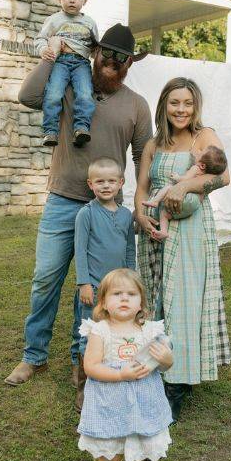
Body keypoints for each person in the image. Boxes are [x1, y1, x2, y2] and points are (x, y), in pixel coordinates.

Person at [4, 24, 151, 387]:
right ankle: (33, 357)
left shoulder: (136, 104)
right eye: (108, 54)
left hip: (107, 211)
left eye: (122, 58)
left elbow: (143, 157)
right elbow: (27, 96)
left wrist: (140, 200)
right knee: (45, 281)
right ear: (95, 52)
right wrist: (52, 53)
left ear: (130, 63)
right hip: (63, 202)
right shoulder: (68, 86)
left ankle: (82, 359)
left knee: (93, 290)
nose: (113, 62)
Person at [135, 77, 231, 422]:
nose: (181, 110)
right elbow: (142, 185)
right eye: (175, 103)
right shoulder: (152, 144)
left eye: (187, 104)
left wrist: (187, 186)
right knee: (156, 299)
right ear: (164, 105)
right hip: (154, 228)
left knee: (183, 302)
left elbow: (224, 177)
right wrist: (140, 216)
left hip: (190, 229)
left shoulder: (203, 136)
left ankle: (178, 384)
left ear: (195, 107)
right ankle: (158, 370)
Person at [78, 268, 173, 461]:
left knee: (152, 443)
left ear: (141, 301)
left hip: (146, 401)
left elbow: (164, 365)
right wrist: (120, 374)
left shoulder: (150, 331)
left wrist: (167, 359)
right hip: (109, 402)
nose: (124, 299)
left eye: (131, 294)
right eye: (116, 294)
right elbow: (90, 366)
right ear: (104, 303)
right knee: (109, 447)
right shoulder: (100, 331)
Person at [73, 157, 136, 411]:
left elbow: (129, 249)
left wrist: (131, 281)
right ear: (91, 184)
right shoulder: (86, 214)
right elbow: (80, 249)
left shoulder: (125, 215)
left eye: (112, 181)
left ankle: (109, 377)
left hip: (118, 289)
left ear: (121, 183)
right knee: (89, 333)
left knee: (115, 333)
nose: (106, 186)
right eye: (100, 181)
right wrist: (83, 283)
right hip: (95, 287)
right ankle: (84, 386)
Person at [34, 0, 99, 148]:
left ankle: (81, 128)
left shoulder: (90, 23)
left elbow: (95, 48)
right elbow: (40, 38)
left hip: (81, 64)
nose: (72, 0)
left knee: (85, 94)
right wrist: (44, 50)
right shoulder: (54, 19)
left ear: (85, 0)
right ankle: (50, 131)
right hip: (60, 62)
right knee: (53, 93)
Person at [142, 145, 227, 240]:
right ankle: (164, 232)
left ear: (202, 165)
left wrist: (177, 177)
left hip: (186, 197)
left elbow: (185, 179)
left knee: (168, 190)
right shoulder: (208, 175)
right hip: (195, 204)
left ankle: (156, 202)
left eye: (201, 152)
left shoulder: (196, 168)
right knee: (167, 214)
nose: (198, 153)